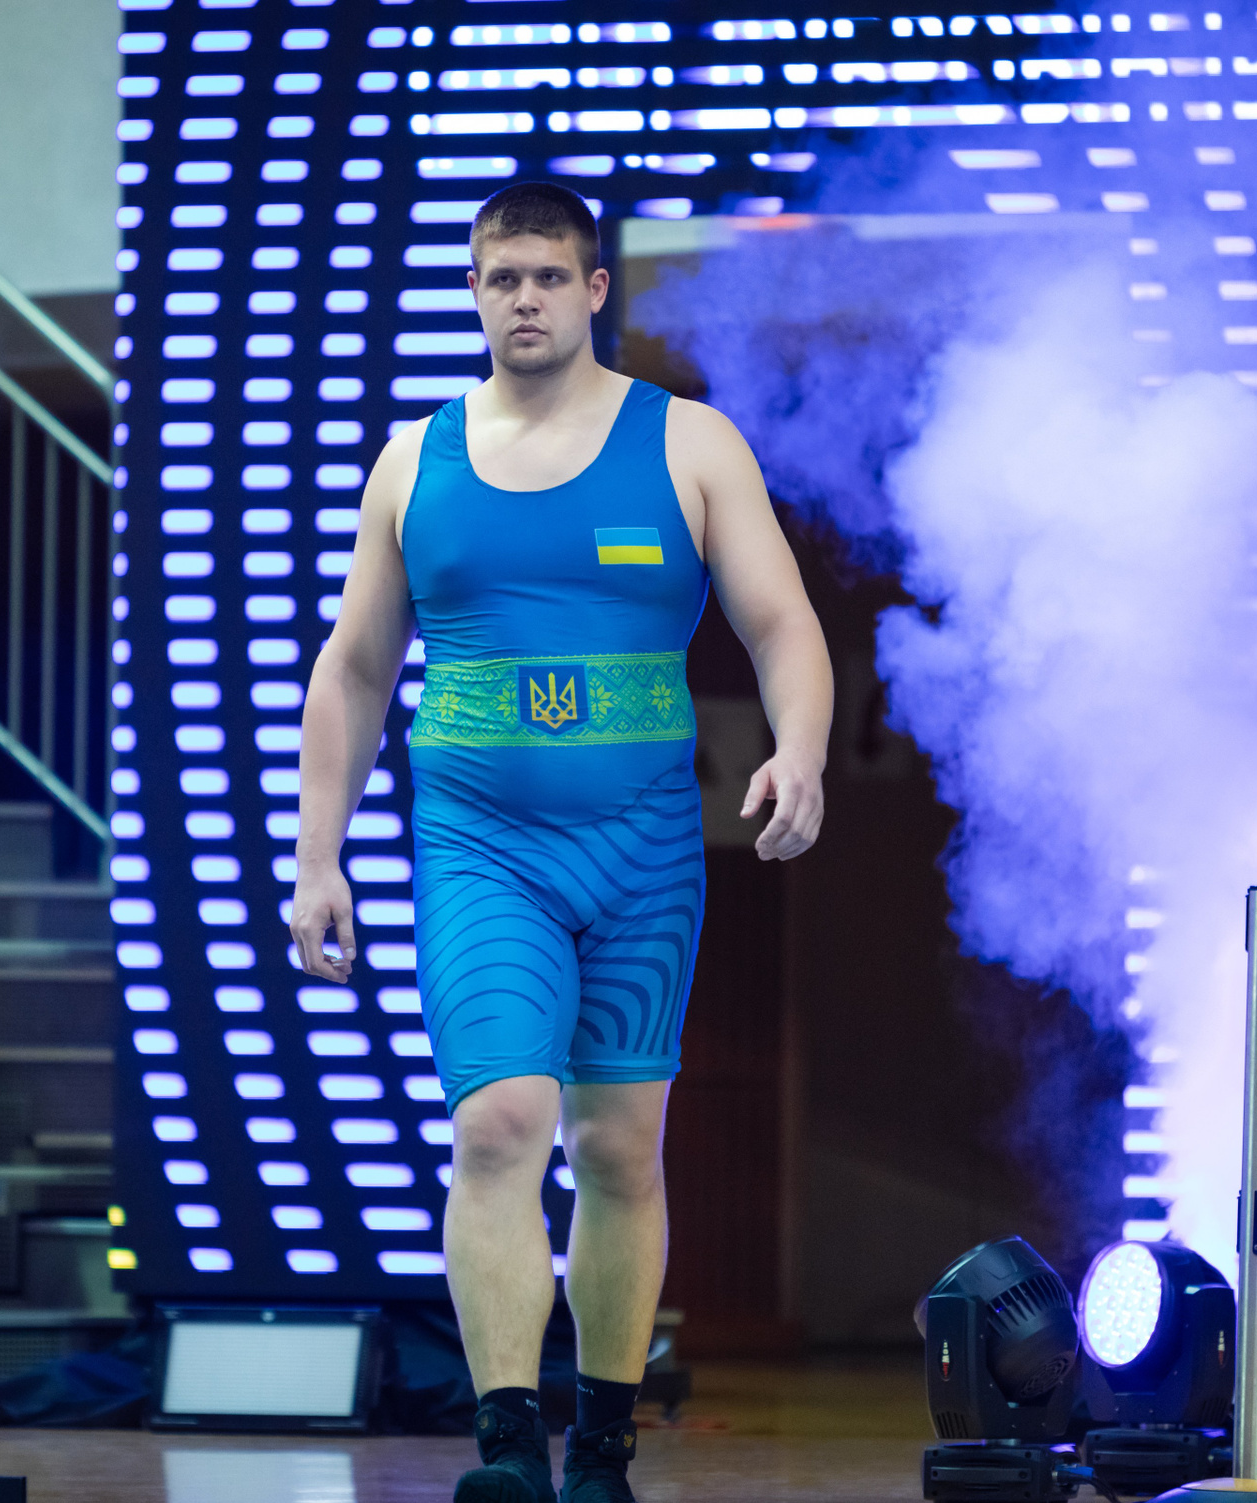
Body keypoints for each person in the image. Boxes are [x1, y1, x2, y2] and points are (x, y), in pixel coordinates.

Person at [291, 182, 832, 1503]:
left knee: (617, 1149)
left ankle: (600, 1445)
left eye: (547, 275)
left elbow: (781, 624)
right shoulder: (414, 460)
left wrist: (803, 750)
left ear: (595, 290)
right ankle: (505, 1449)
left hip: (643, 850)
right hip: (481, 843)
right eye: (501, 278)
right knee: (499, 1124)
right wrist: (316, 857)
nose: (523, 299)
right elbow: (355, 668)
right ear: (476, 294)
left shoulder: (690, 443)